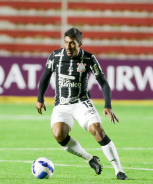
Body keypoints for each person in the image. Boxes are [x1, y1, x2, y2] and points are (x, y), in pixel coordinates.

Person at [36, 27, 128, 180]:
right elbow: (45, 77)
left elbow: (103, 83)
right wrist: (40, 98)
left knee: (98, 130)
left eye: (72, 43)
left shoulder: (89, 59)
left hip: (81, 103)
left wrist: (108, 105)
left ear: (80, 43)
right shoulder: (55, 56)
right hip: (62, 105)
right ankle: (90, 159)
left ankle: (119, 170)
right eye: (65, 43)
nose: (68, 47)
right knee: (58, 134)